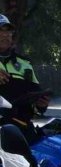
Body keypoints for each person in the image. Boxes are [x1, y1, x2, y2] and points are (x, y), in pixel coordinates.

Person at [0, 14, 50, 142]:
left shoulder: (24, 64)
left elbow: (35, 96)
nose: (5, 35)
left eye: (8, 31)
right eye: (1, 30)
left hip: (21, 127)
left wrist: (40, 105)